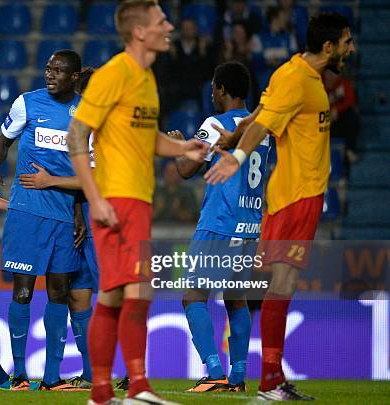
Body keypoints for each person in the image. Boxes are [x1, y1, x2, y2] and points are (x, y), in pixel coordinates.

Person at [205, 13, 355, 400]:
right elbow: (262, 125)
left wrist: (233, 135)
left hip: (302, 197)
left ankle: (271, 376)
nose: (350, 48)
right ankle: (269, 380)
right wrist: (236, 156)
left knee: (277, 286)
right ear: (328, 46)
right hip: (295, 197)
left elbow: (260, 115)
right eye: (346, 41)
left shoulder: (303, 77)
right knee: (280, 285)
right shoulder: (293, 78)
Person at [67, 2, 207, 404]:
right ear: (140, 31)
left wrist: (184, 147)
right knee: (139, 290)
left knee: (114, 295)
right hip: (115, 199)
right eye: (161, 21)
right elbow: (78, 136)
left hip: (137, 200)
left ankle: (100, 393)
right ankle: (138, 387)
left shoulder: (146, 78)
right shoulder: (114, 74)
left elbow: (148, 139)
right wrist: (95, 199)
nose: (169, 26)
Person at [0, 50, 87, 392]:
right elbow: (3, 141)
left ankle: (52, 378)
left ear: (74, 77)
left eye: (58, 71)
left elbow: (87, 173)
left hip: (62, 216)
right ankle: (19, 373)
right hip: (27, 212)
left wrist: (76, 212)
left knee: (59, 293)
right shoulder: (27, 103)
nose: (50, 74)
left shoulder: (87, 114)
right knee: (23, 291)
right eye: (47, 68)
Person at [171, 60, 269, 393]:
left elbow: (186, 169)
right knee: (236, 298)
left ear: (222, 89)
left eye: (214, 87)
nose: (212, 93)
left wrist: (181, 146)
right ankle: (238, 376)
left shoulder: (216, 124)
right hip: (251, 224)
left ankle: (214, 371)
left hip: (220, 222)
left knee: (192, 295)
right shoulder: (261, 129)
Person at [16, 66, 97, 389]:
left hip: (101, 226)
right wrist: (76, 208)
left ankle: (128, 372)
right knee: (78, 297)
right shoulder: (77, 125)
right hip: (78, 221)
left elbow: (97, 178)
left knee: (110, 298)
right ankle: (91, 373)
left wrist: (51, 181)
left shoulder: (101, 130)